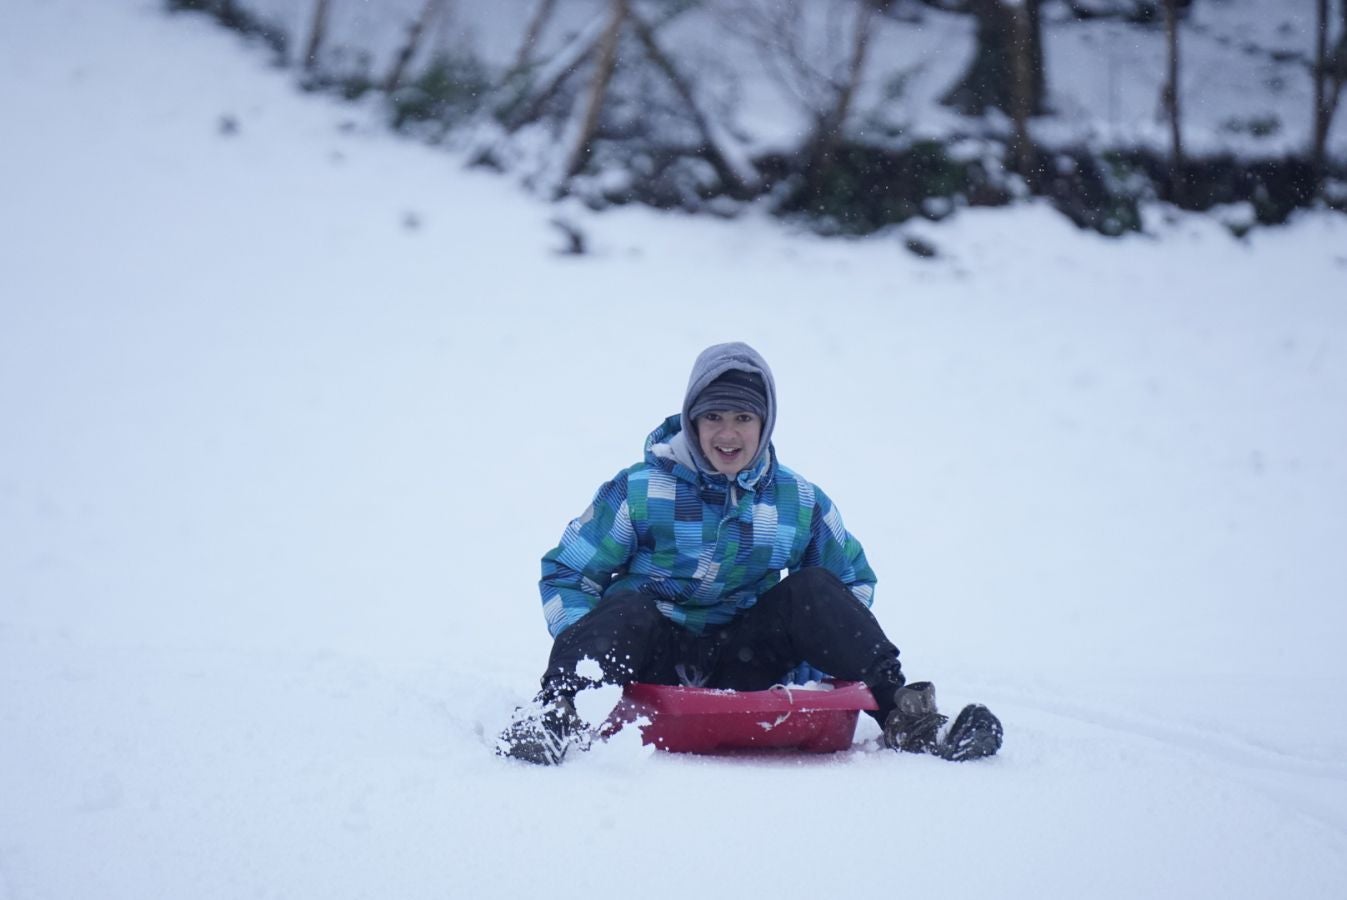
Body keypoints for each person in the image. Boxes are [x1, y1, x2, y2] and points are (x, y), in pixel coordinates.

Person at [498, 341, 1002, 765]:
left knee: (813, 587)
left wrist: (808, 661)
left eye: (743, 417)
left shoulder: (796, 500)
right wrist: (589, 646)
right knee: (626, 608)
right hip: (653, 649)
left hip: (746, 655)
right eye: (712, 417)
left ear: (766, 423)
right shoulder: (639, 490)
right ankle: (553, 713)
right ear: (692, 422)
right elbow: (569, 573)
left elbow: (849, 583)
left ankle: (907, 716)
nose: (727, 433)